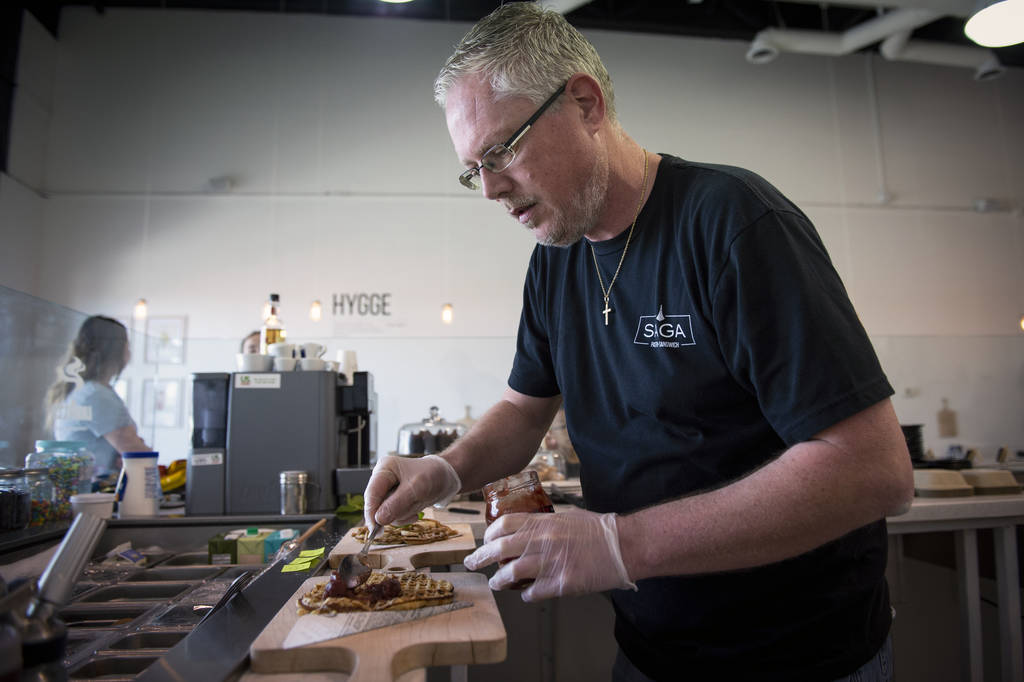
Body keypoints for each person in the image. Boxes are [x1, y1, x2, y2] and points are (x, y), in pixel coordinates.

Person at [364, 4, 914, 681]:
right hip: (652, 653)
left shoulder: (732, 224)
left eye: (501, 151)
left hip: (798, 658)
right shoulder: (555, 259)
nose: (488, 189)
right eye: (471, 168)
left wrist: (620, 545)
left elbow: (873, 469)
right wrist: (445, 470)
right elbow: (522, 410)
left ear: (586, 103)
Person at [46, 315, 151, 478]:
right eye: (127, 345)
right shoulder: (96, 395)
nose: (129, 351)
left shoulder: (87, 391)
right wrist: (139, 448)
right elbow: (137, 453)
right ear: (117, 349)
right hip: (95, 492)